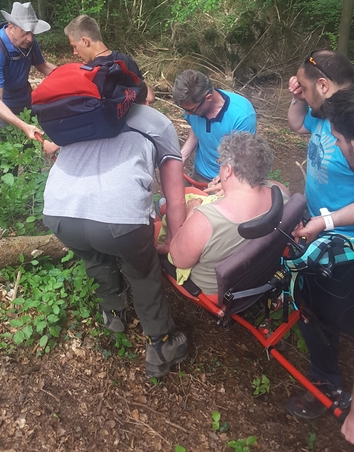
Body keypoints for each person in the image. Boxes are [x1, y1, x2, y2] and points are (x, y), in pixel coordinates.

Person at [42, 88, 188, 378]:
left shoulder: (84, 111)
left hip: (59, 212)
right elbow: (175, 197)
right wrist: (174, 239)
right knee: (142, 270)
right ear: (141, 94)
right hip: (120, 221)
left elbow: (52, 148)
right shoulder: (157, 122)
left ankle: (113, 314)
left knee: (95, 255)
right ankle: (160, 346)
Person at [284, 86, 354, 424]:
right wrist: (324, 221)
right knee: (315, 303)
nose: (337, 146)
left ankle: (328, 384)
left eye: (340, 140)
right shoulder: (333, 114)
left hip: (345, 245)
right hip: (330, 234)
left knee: (325, 306)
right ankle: (326, 377)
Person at [161, 132, 288, 297]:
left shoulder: (203, 221)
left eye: (220, 163)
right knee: (192, 192)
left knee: (159, 226)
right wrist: (229, 188)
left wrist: (191, 212)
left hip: (217, 289)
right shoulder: (281, 193)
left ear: (228, 170)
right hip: (257, 273)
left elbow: (178, 260)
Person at [287, 49, 354, 241]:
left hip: (344, 237)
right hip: (319, 221)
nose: (304, 94)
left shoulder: (349, 124)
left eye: (305, 89)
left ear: (322, 85)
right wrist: (298, 99)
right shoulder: (321, 111)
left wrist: (328, 221)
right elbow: (298, 124)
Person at [0, 1, 56, 140]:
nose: (30, 38)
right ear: (11, 27)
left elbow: (42, 66)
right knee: (8, 147)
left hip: (22, 97)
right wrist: (24, 126)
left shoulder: (29, 42)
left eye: (32, 32)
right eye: (25, 33)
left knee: (31, 144)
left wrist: (72, 75)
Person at [172, 70, 256, 182]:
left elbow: (243, 157)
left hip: (230, 177)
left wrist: (223, 180)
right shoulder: (192, 108)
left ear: (209, 98)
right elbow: (196, 131)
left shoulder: (242, 114)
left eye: (191, 110)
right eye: (185, 109)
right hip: (200, 173)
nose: (187, 114)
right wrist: (181, 158)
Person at [64, 14, 155, 104]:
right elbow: (150, 97)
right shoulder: (124, 59)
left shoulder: (90, 73)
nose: (75, 52)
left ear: (85, 41)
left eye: (75, 46)